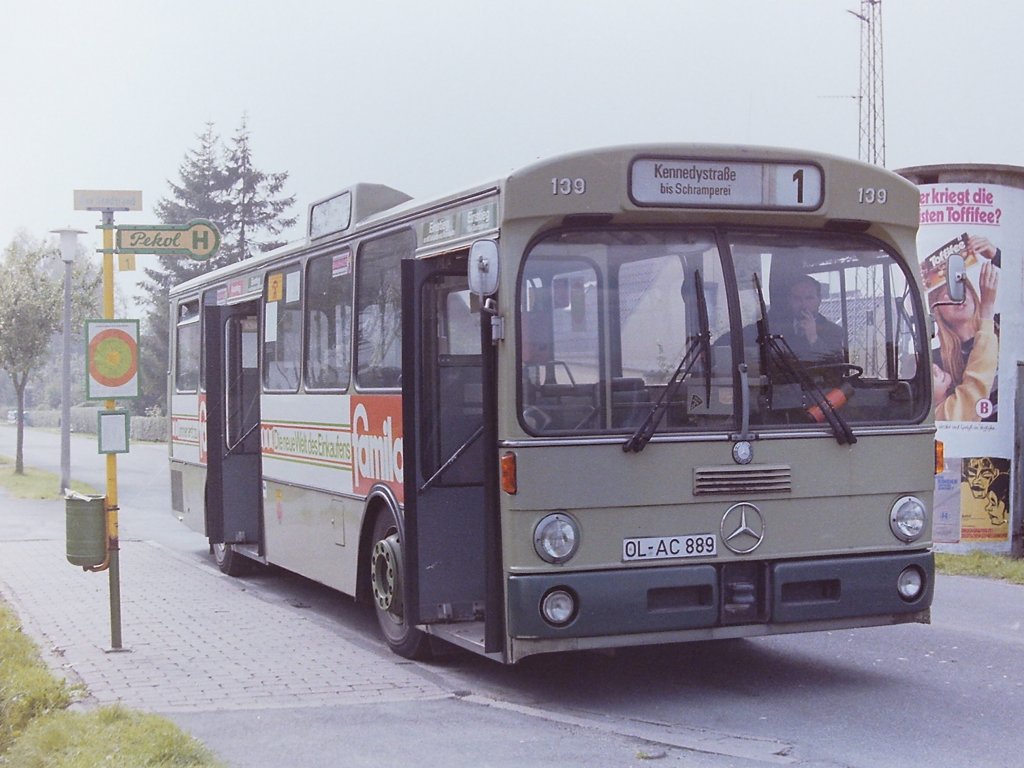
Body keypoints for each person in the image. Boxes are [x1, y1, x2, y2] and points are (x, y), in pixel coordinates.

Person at [930, 236, 999, 422]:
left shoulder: (999, 325)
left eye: (960, 287)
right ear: (937, 310)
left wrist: (996, 256)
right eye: (947, 294)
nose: (957, 297)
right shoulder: (936, 361)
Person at [773, 274, 846, 367]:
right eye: (797, 298)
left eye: (809, 298)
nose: (803, 304)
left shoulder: (833, 331)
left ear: (819, 300)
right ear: (789, 300)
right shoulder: (776, 329)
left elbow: (837, 369)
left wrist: (813, 338)